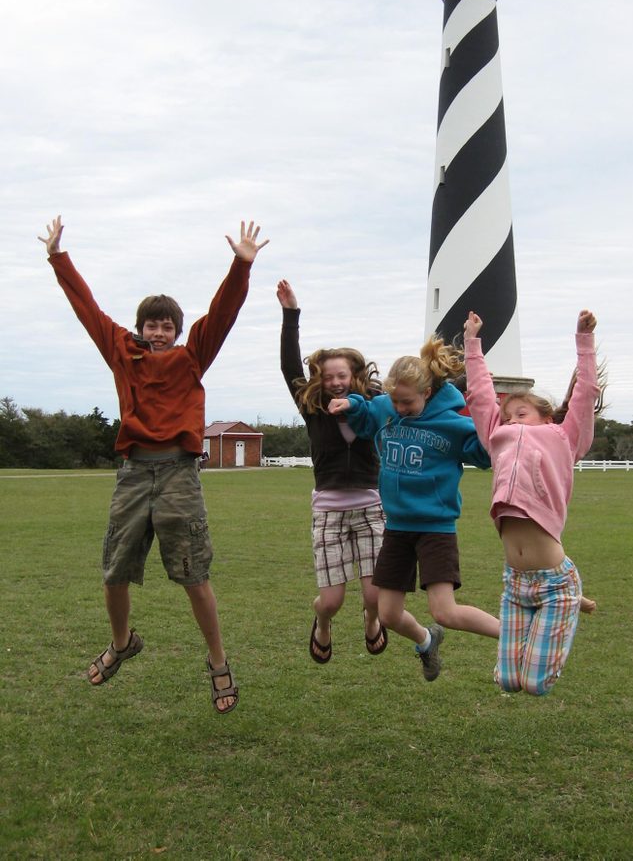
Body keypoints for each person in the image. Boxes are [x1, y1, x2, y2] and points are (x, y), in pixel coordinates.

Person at [38, 215, 269, 714]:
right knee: (114, 571)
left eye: (167, 325)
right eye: (152, 324)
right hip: (134, 472)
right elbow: (88, 310)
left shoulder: (191, 357)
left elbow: (222, 314)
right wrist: (59, 257)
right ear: (141, 328)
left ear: (178, 331)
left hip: (179, 473)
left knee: (193, 575)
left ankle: (218, 661)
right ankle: (122, 643)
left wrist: (240, 265)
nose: (159, 332)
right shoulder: (122, 353)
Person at [328, 336, 500, 682]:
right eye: (395, 400)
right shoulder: (387, 408)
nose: (399, 408)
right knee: (388, 614)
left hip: (435, 528)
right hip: (397, 528)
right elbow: (368, 414)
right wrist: (351, 406)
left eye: (407, 402)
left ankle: (514, 635)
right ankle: (426, 640)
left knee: (445, 611)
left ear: (427, 393)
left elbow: (485, 454)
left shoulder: (453, 425)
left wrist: (489, 428)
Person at [463, 308, 600, 695]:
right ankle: (577, 602)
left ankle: (573, 599)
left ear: (545, 415)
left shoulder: (564, 437)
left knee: (535, 684)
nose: (510, 421)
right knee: (508, 682)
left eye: (520, 413)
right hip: (515, 582)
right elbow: (479, 396)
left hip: (555, 582)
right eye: (506, 417)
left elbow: (585, 394)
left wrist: (583, 340)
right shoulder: (497, 438)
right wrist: (473, 342)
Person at [277, 280, 388, 663]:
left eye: (342, 375)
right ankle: (322, 625)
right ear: (320, 380)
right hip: (329, 510)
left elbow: (417, 393)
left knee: (376, 595)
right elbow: (289, 366)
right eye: (328, 377)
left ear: (354, 375)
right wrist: (291, 314)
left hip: (372, 507)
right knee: (331, 600)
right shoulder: (312, 408)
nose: (336, 382)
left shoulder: (375, 403)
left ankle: (371, 619)